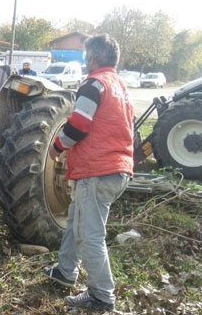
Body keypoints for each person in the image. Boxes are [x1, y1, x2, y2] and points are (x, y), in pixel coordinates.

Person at [43, 34, 134, 312]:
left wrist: (57, 147)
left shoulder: (94, 84)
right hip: (116, 169)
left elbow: (79, 125)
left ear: (93, 58)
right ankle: (65, 271)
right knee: (76, 221)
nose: (85, 61)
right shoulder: (119, 86)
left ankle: (101, 295)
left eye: (86, 56)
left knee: (90, 235)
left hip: (97, 170)